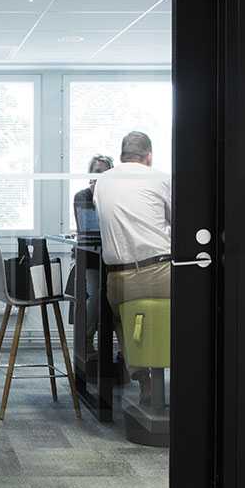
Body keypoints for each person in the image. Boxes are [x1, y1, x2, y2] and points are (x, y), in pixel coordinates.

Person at [93, 131, 172, 398]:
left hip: (121, 279)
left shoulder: (102, 182)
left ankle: (143, 379)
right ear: (148, 156)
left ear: (121, 156)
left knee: (122, 321)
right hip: (162, 273)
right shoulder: (161, 179)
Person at [72, 155, 113, 354]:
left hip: (113, 259)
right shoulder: (82, 196)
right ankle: (86, 340)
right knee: (97, 295)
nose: (101, 176)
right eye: (97, 172)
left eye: (105, 172)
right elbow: (90, 231)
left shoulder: (116, 197)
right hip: (90, 259)